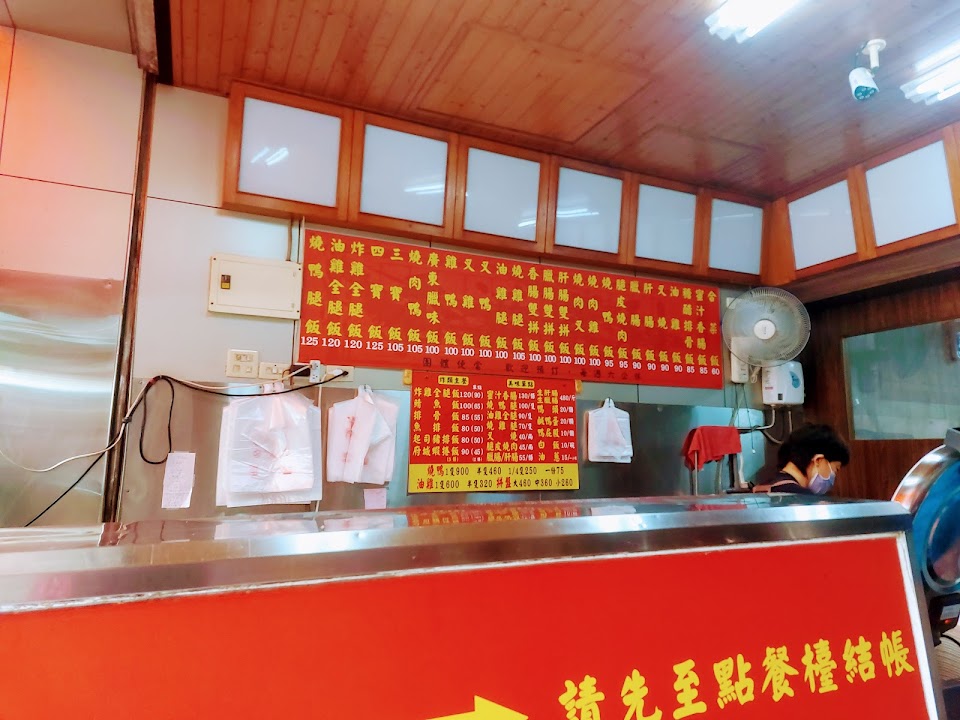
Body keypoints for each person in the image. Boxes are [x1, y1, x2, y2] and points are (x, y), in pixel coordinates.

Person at [752, 423, 850, 495]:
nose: (833, 478)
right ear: (818, 460)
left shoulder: (763, 487)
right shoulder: (803, 499)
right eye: (835, 469)